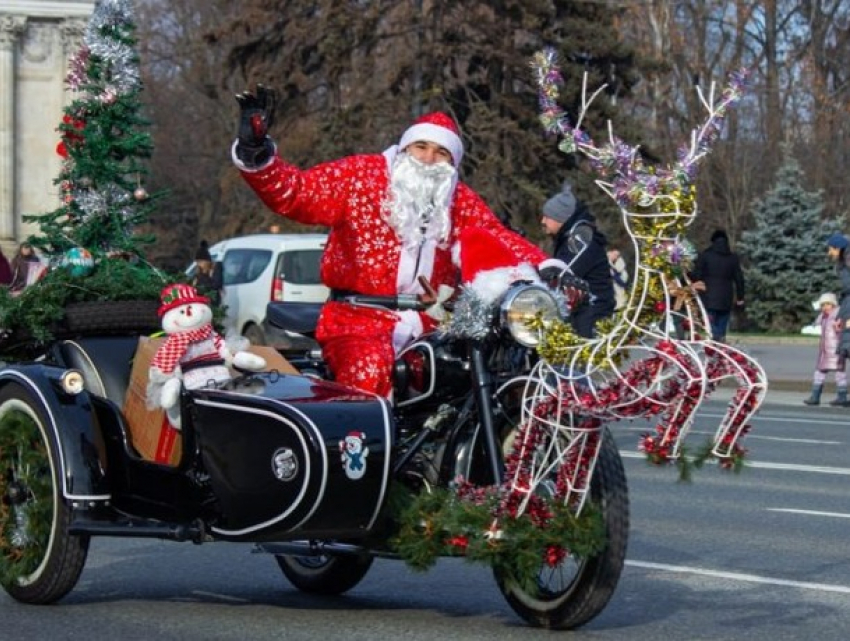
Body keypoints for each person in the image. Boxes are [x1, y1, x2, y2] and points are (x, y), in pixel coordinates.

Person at [232, 86, 550, 396]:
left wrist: (548, 269)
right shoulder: (360, 178)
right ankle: (364, 447)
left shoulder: (458, 201)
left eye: (441, 153)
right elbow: (298, 193)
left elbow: (497, 239)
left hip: (432, 323)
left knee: (471, 374)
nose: (428, 159)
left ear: (453, 164)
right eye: (421, 147)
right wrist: (256, 152)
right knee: (369, 369)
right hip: (356, 320)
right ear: (404, 149)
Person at [540, 181, 615, 338]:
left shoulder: (581, 241)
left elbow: (563, 270)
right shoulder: (570, 239)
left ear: (561, 218)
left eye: (547, 217)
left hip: (593, 317)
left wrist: (538, 273)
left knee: (583, 362)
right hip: (583, 316)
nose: (543, 221)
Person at [691, 229, 744, 342]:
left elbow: (697, 274)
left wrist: (694, 286)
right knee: (722, 322)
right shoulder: (733, 258)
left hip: (708, 295)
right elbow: (739, 279)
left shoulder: (705, 256)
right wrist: (740, 297)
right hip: (726, 296)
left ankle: (714, 340)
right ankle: (720, 341)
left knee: (710, 322)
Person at [802, 292, 848, 406]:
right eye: (823, 305)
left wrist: (839, 327)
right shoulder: (823, 317)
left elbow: (842, 327)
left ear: (833, 304)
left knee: (839, 373)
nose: (825, 307)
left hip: (837, 350)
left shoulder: (838, 315)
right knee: (819, 372)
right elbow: (816, 324)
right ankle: (815, 396)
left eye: (828, 304)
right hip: (825, 351)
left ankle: (841, 397)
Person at [190, 240, 223, 306]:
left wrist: (203, 278)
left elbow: (215, 285)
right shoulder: (197, 275)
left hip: (212, 303)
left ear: (207, 261)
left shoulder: (215, 270)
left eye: (201, 261)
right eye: (198, 262)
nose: (199, 264)